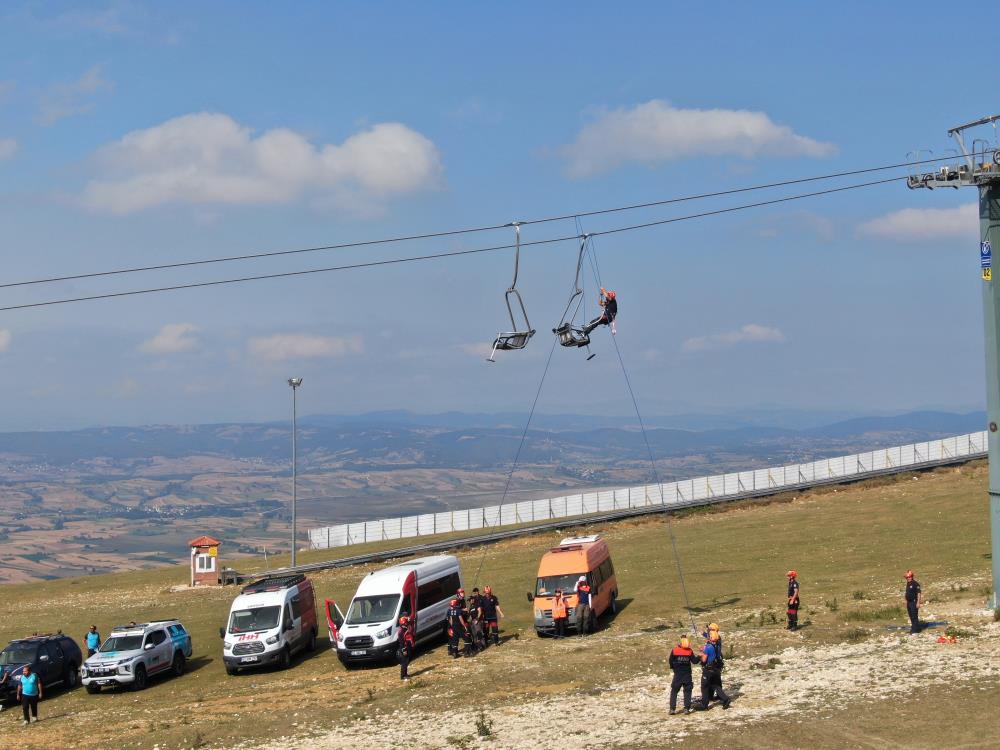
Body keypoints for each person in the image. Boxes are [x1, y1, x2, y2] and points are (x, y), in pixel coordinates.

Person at [697, 633, 730, 711]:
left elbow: (704, 660)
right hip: (716, 668)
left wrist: (701, 655)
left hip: (708, 670)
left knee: (704, 686)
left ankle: (704, 705)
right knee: (716, 685)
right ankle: (725, 699)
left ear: (710, 638)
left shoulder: (708, 648)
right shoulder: (718, 646)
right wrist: (703, 650)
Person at [668, 635, 696, 715]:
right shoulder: (689, 651)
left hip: (678, 675)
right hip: (687, 675)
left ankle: (672, 709)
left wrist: (673, 668)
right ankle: (686, 709)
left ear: (680, 642)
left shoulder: (674, 650)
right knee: (687, 691)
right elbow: (694, 661)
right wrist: (700, 656)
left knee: (674, 691)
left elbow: (670, 661)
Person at [904, 570, 923, 634]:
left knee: (914, 615)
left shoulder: (915, 583)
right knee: (911, 615)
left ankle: (915, 630)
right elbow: (907, 592)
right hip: (909, 602)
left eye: (909, 577)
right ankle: (915, 627)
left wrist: (918, 602)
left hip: (914, 602)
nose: (908, 578)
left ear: (912, 577)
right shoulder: (908, 583)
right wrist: (906, 601)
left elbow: (919, 593)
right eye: (907, 577)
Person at [396, 615, 415, 680]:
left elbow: (411, 622)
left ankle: (405, 674)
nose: (406, 624)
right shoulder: (401, 632)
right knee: (405, 662)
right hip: (405, 648)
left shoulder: (406, 628)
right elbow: (402, 643)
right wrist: (404, 650)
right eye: (405, 623)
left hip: (409, 646)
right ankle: (403, 675)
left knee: (408, 660)